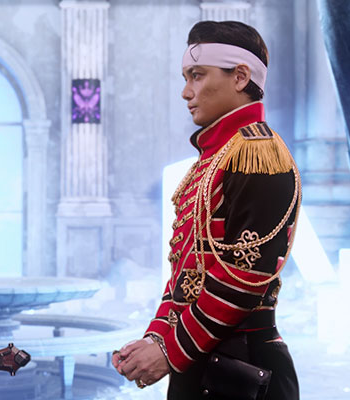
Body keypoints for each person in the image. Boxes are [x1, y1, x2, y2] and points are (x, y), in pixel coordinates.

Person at [113, 21, 301, 400]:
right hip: (201, 359)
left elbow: (243, 276)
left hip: (244, 367)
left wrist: (170, 350)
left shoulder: (258, 155)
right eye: (186, 78)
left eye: (197, 76)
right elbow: (186, 273)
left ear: (240, 77)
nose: (186, 92)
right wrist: (156, 337)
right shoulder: (216, 157)